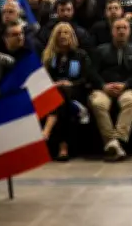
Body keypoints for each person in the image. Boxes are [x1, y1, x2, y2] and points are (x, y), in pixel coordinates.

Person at [89, 19, 132, 161]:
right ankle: (113, 142)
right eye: (118, 28)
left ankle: (117, 141)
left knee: (130, 101)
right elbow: (92, 72)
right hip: (103, 89)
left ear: (129, 31)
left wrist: (126, 85)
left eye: (124, 28)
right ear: (112, 31)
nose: (121, 31)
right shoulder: (100, 50)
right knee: (98, 103)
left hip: (127, 89)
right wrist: (103, 86)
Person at [40, 22, 92, 162]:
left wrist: (71, 84)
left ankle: (47, 132)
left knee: (62, 95)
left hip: (76, 94)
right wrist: (55, 85)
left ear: (72, 36)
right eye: (59, 33)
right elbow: (43, 79)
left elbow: (86, 79)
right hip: (53, 95)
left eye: (66, 32)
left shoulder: (81, 55)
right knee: (60, 98)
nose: (63, 35)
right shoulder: (49, 56)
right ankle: (63, 147)